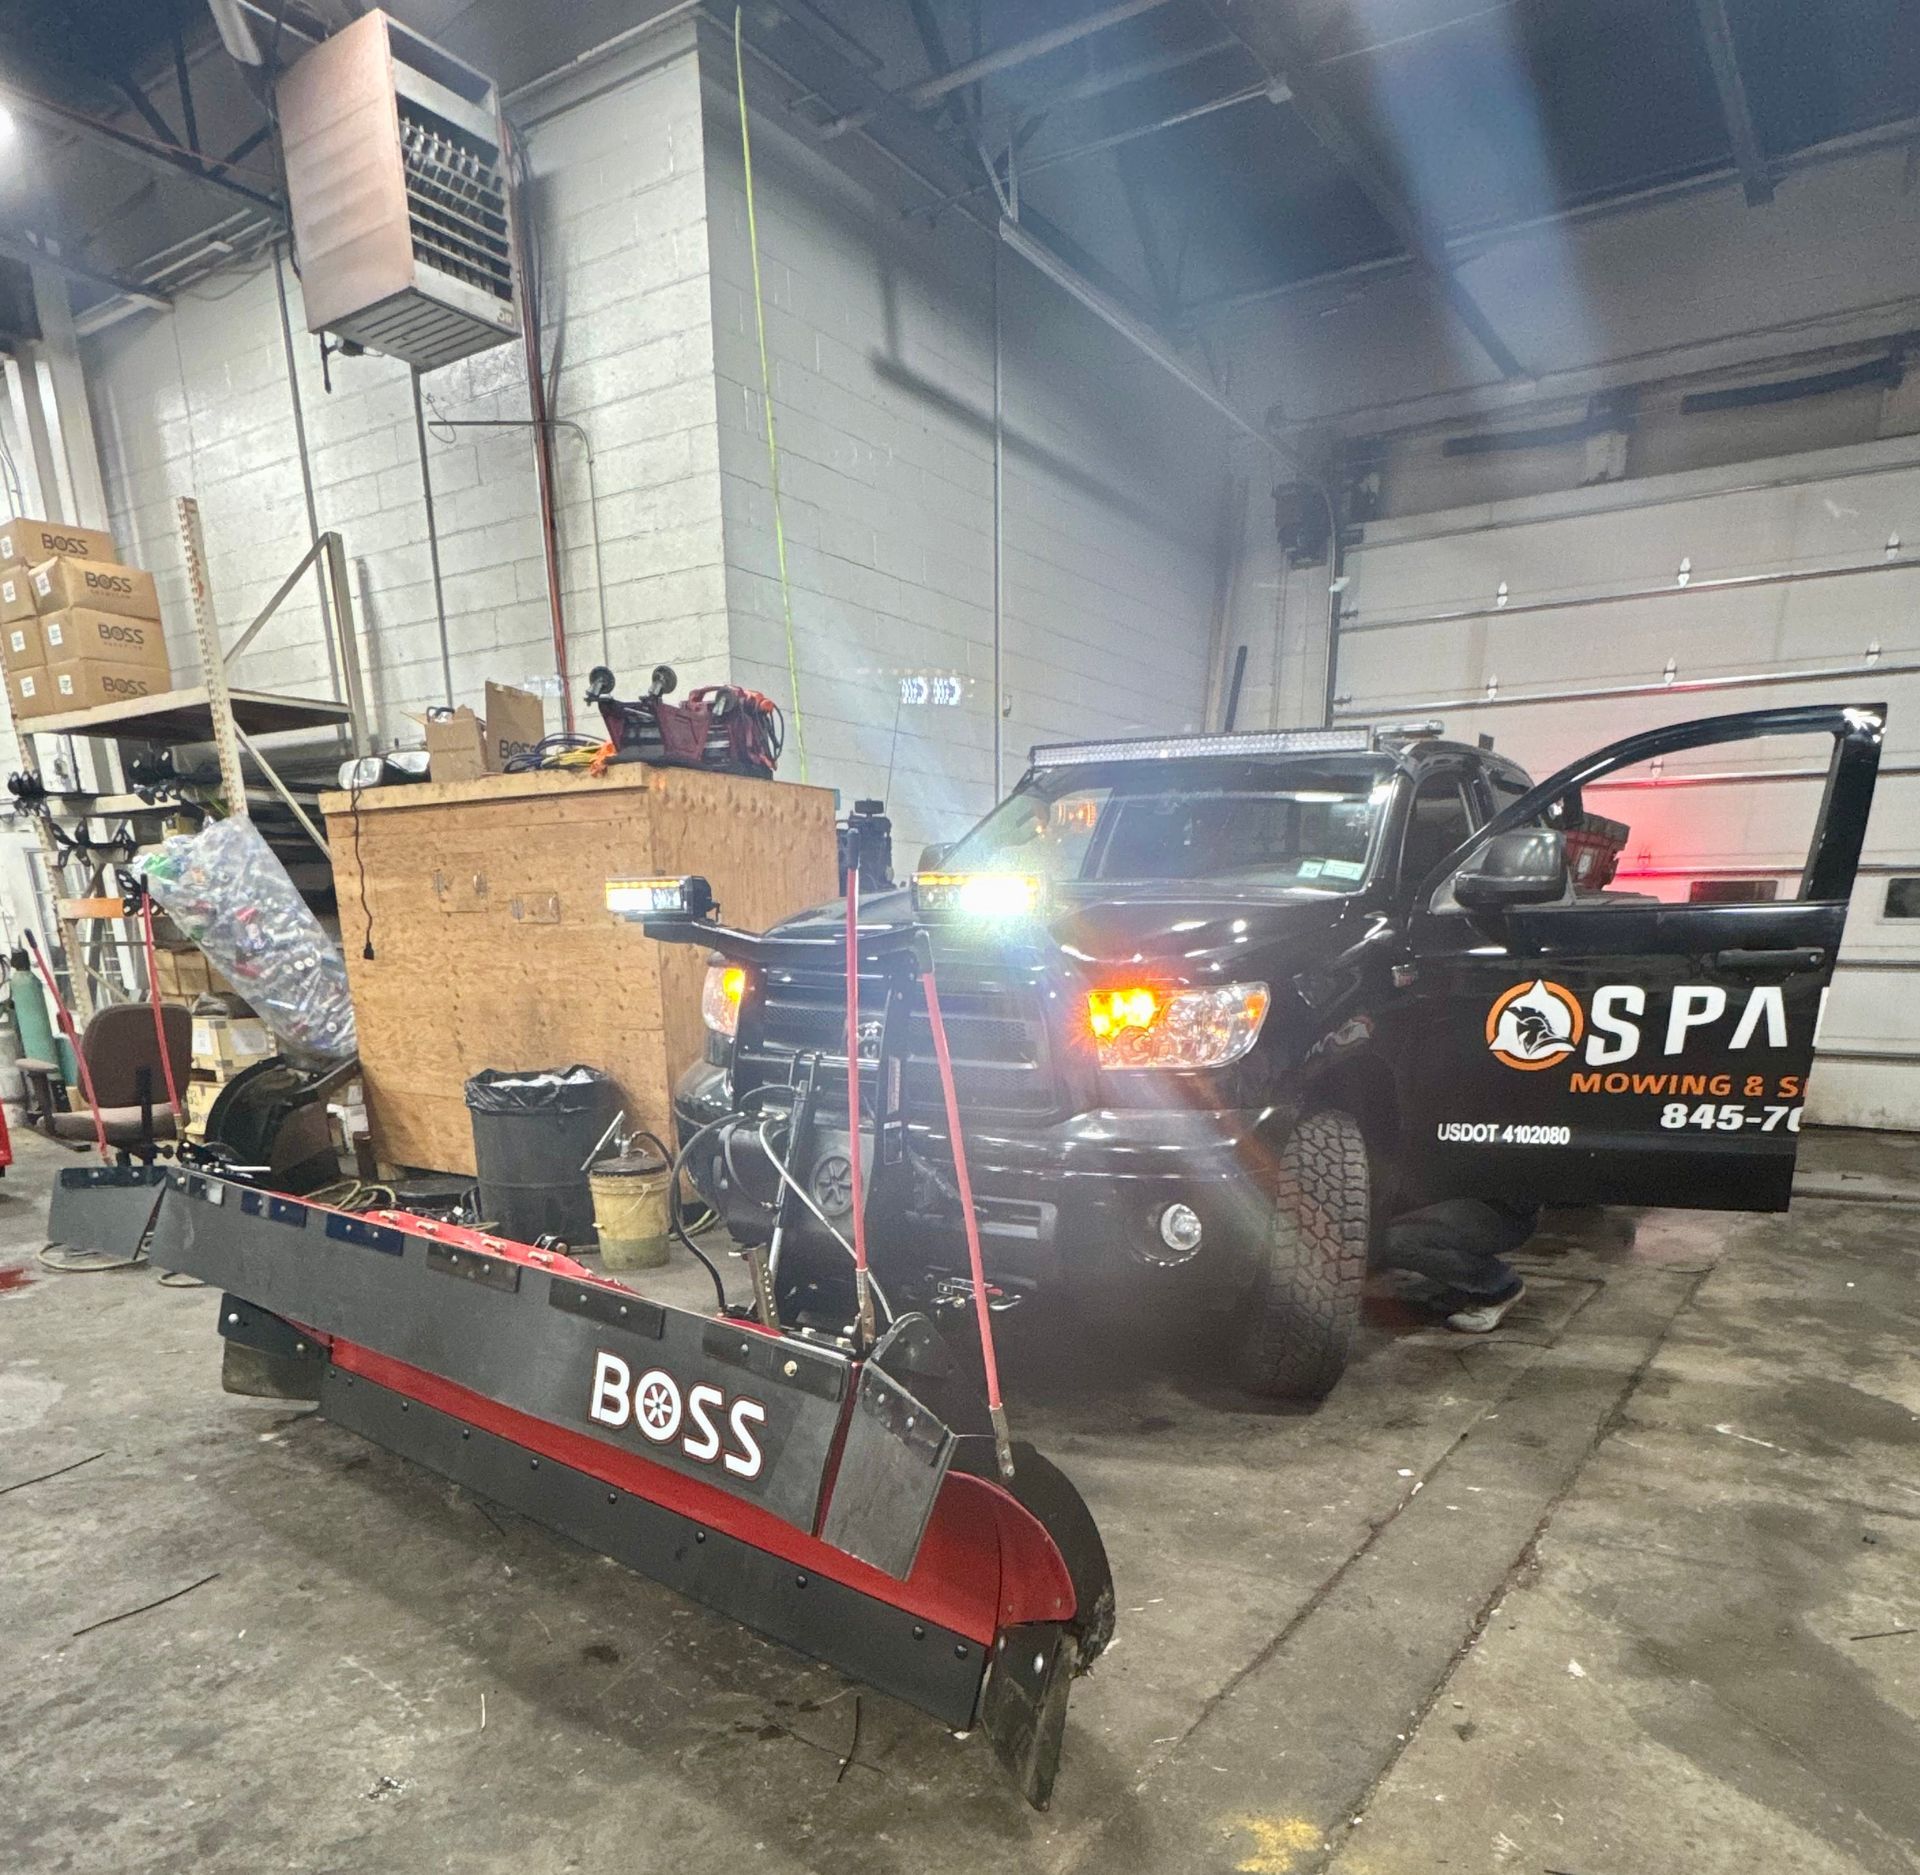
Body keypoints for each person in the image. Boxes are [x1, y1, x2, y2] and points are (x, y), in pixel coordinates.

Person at [1381, 1196, 1537, 1333]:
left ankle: (1499, 1287)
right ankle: (1462, 1288)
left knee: (1390, 1241)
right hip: (1476, 1203)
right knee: (1387, 1232)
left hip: (1502, 1214)